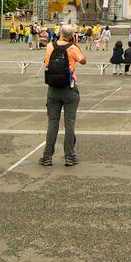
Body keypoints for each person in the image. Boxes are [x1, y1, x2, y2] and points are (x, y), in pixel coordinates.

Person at [40, 26, 86, 167]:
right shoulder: (72, 48)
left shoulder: (50, 46)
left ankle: (47, 156)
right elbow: (83, 60)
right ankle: (69, 156)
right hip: (69, 89)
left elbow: (46, 63)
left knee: (52, 123)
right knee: (69, 123)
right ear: (72, 35)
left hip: (53, 89)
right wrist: (76, 44)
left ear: (60, 33)